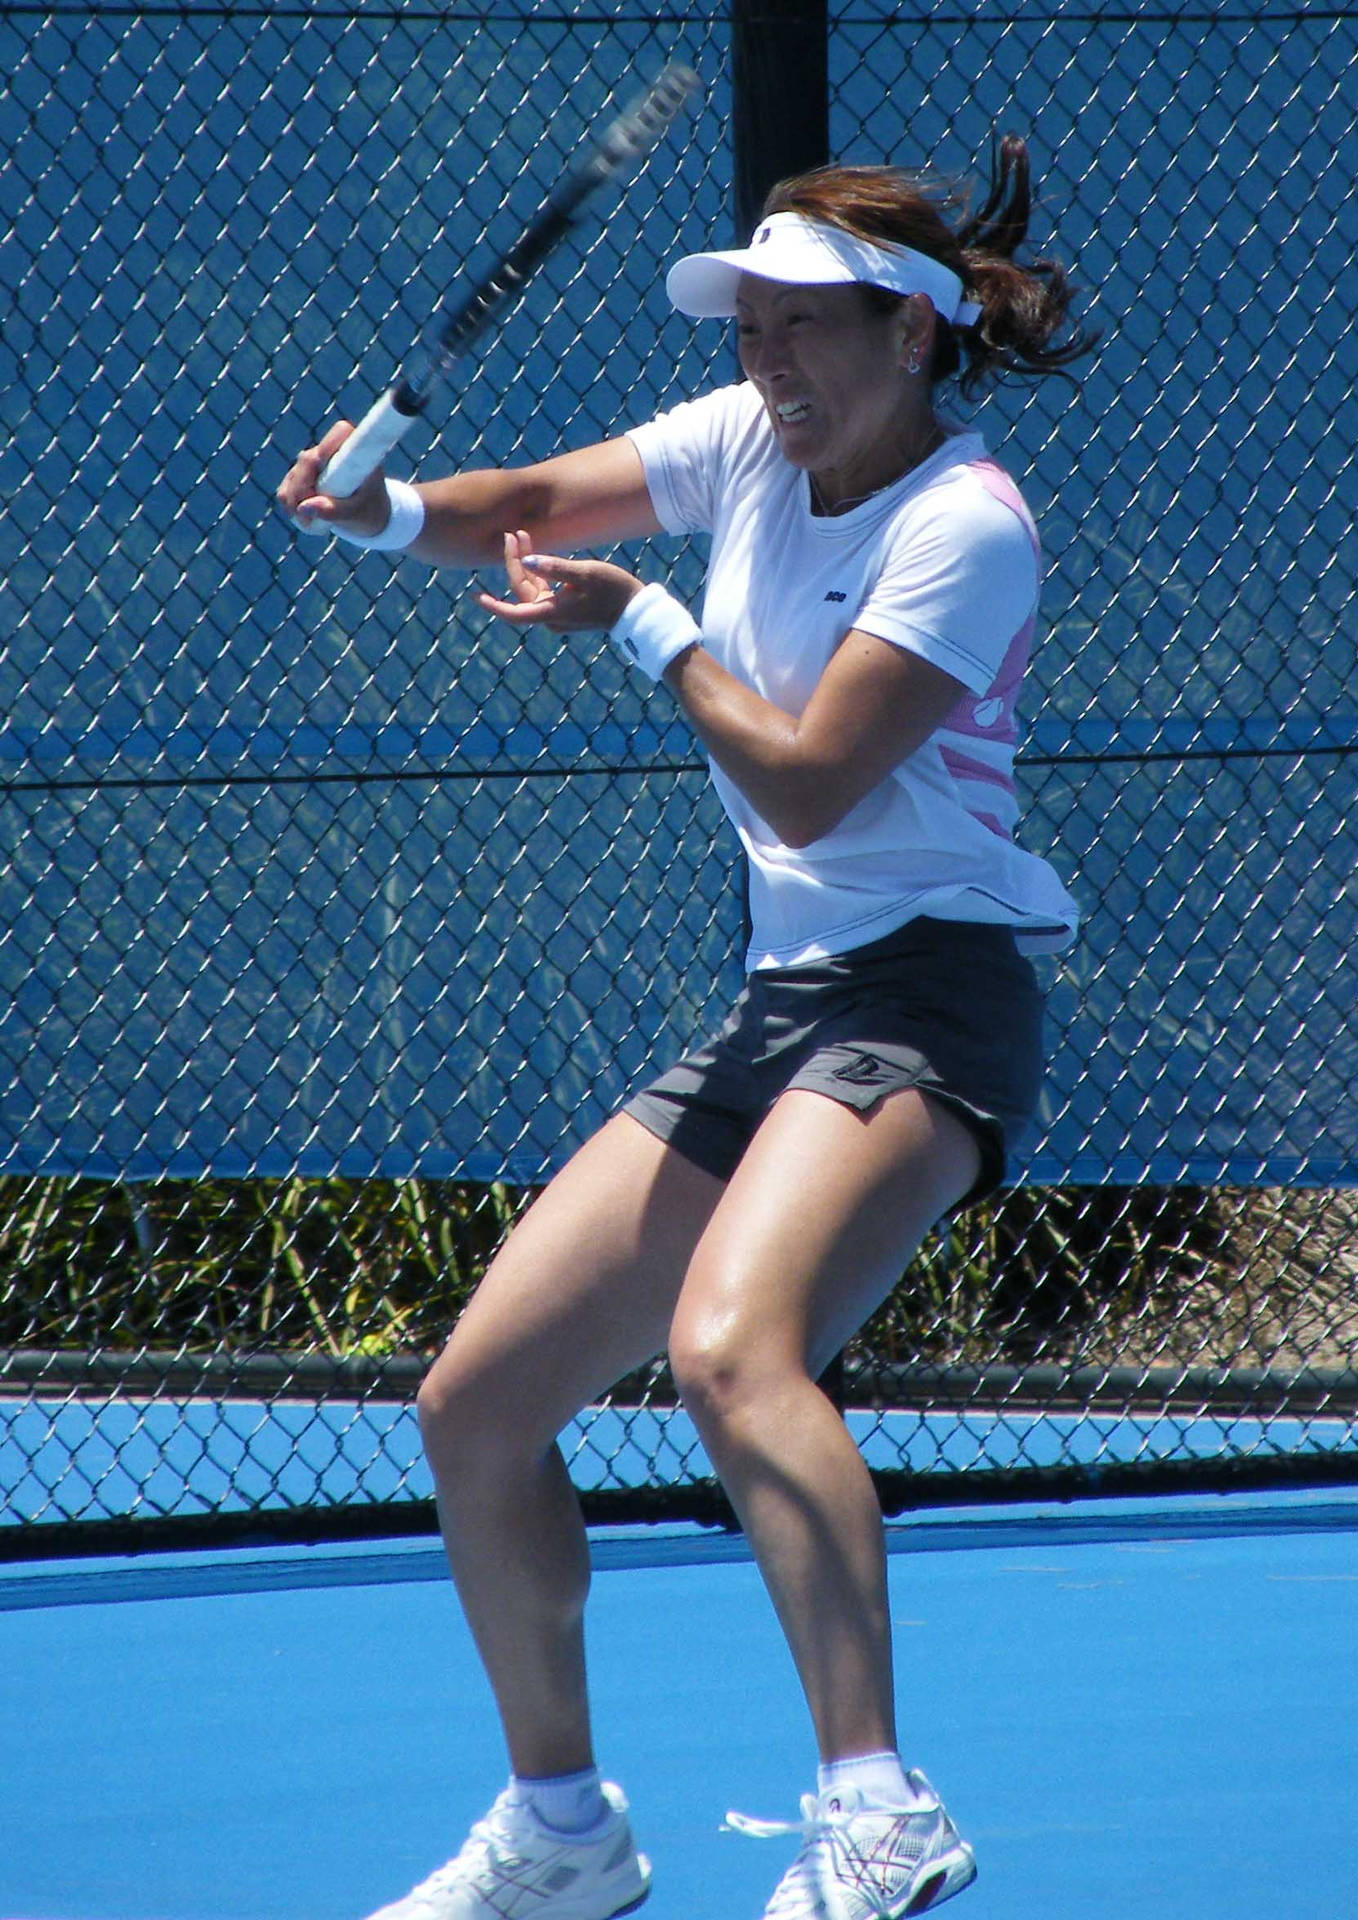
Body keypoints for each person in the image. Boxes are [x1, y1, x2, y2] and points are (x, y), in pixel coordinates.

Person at [278, 135, 1092, 1920]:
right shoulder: (745, 446)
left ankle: (878, 1810)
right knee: (475, 1407)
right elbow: (536, 502)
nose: (770, 363)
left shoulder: (970, 527)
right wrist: (383, 509)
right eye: (752, 328)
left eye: (808, 329)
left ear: (911, 337)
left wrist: (643, 623)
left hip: (931, 996)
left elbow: (807, 789)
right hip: (787, 1006)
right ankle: (564, 1832)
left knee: (736, 1351)